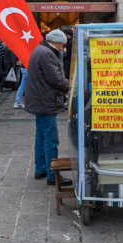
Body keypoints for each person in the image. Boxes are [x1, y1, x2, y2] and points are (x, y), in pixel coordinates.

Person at [25, 29, 71, 186]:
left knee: (41, 135)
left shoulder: (41, 50)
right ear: (56, 43)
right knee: (51, 138)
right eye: (62, 45)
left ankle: (41, 169)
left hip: (40, 100)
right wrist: (71, 84)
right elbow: (56, 79)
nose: (62, 48)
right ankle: (52, 175)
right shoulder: (47, 54)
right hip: (45, 100)